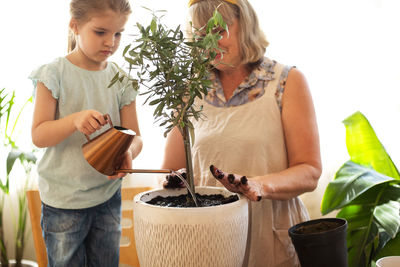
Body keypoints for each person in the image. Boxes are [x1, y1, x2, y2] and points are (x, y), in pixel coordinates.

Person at [162, 0, 322, 266]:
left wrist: (258, 185)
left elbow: (309, 171)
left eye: (219, 29)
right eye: (201, 34)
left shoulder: (287, 82)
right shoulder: (190, 89)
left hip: (269, 235)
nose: (209, 42)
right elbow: (172, 169)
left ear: (245, 25)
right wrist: (173, 180)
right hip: (207, 238)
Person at [29, 0, 142, 266]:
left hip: (107, 198)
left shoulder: (121, 80)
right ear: (74, 26)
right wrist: (74, 120)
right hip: (63, 202)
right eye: (100, 32)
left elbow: (135, 136)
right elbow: (38, 135)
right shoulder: (54, 74)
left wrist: (129, 151)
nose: (111, 43)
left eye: (118, 33)